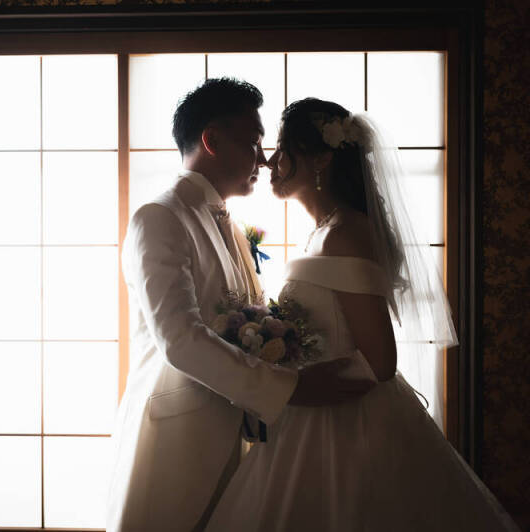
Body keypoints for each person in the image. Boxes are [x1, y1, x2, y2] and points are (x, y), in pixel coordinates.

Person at [205, 97, 519, 532]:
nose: (271, 160)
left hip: (347, 421)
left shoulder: (347, 233)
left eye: (283, 147)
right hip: (309, 407)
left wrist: (297, 382)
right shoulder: (323, 231)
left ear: (322, 158)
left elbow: (380, 362)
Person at [106, 81, 374, 532]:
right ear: (211, 140)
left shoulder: (231, 226)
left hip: (244, 436)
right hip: (179, 444)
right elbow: (181, 340)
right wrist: (293, 389)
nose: (265, 158)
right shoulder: (160, 216)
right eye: (253, 143)